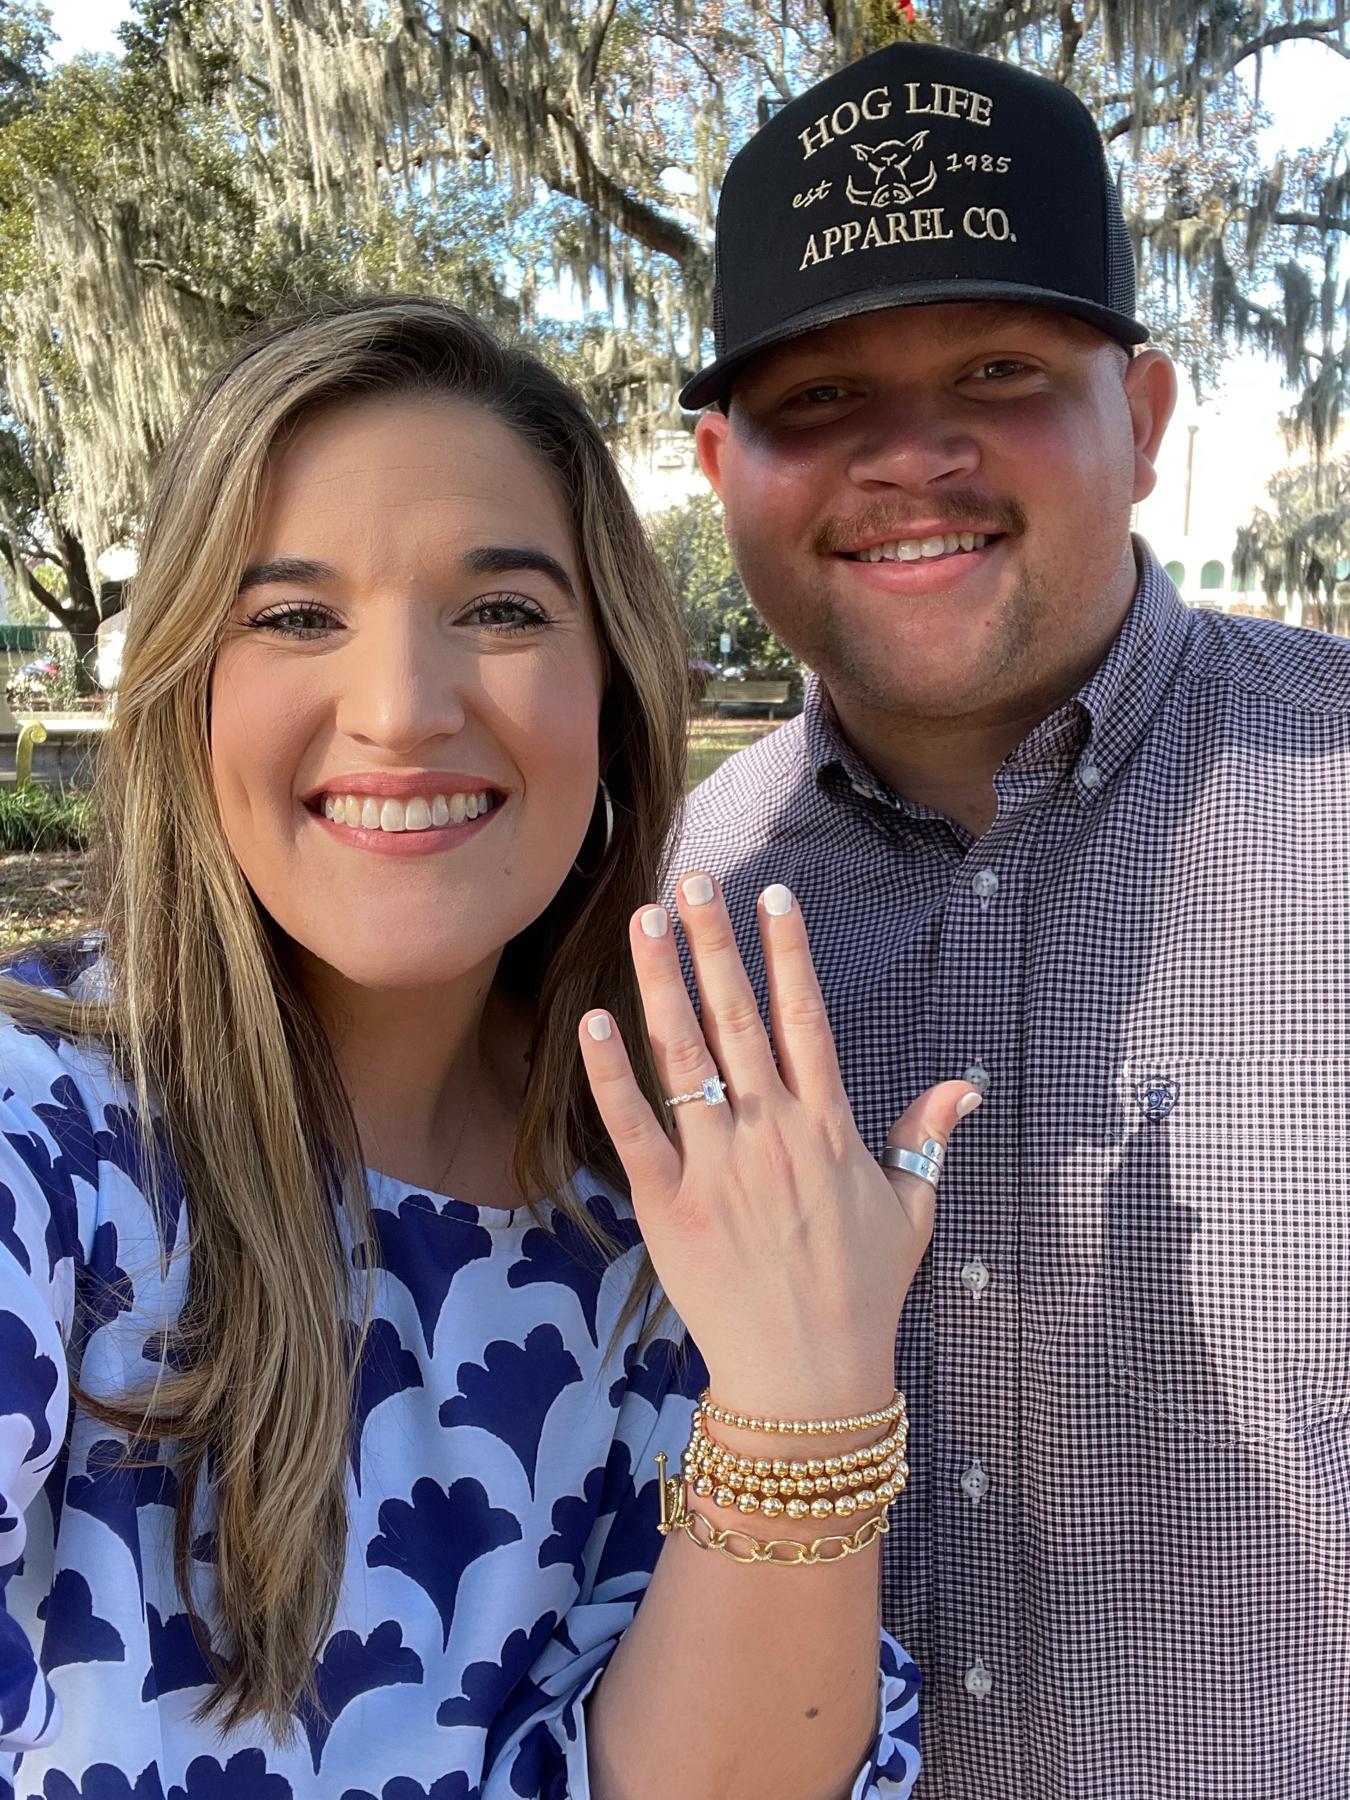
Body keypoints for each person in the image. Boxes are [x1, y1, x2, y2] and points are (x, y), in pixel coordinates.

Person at [0, 295, 980, 1800]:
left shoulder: (669, 1215)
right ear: (188, 687)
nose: (400, 709)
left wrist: (805, 1391)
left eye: (503, 609)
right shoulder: (42, 1140)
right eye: (294, 615)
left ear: (612, 691)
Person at [673, 39, 1350, 1800]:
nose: (912, 455)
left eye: (997, 367)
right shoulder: (683, 906)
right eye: (816, 399)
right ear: (715, 464)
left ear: (1138, 418)